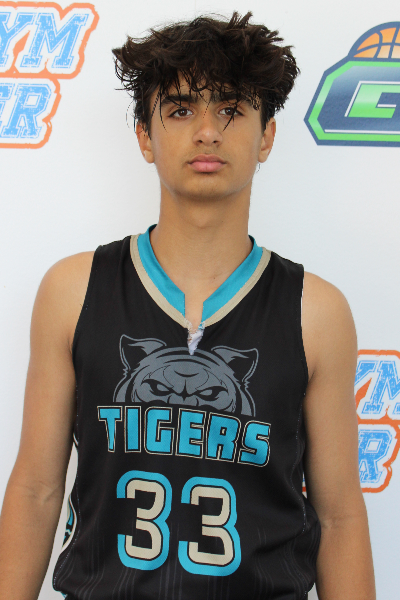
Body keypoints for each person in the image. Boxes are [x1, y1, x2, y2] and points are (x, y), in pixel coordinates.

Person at [0, 10, 375, 600]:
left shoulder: (316, 311)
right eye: (180, 110)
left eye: (231, 110)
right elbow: (36, 489)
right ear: (144, 137)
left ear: (266, 136)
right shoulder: (74, 290)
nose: (207, 132)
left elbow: (339, 516)